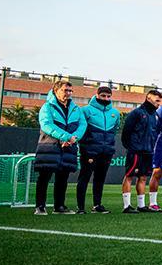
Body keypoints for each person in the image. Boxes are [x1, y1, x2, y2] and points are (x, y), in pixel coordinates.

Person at [33, 80, 86, 215]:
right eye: (65, 90)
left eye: (70, 91)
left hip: (68, 147)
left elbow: (82, 125)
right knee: (44, 177)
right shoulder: (47, 107)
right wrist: (66, 137)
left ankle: (59, 206)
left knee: (63, 177)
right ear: (56, 91)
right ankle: (40, 206)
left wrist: (74, 138)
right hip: (49, 146)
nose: (68, 93)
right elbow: (46, 125)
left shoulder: (76, 108)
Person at [76, 85, 119, 214]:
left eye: (108, 96)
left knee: (100, 179)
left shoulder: (115, 113)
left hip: (106, 151)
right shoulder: (85, 110)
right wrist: (84, 147)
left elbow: (115, 129)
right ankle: (80, 207)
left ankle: (97, 205)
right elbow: (81, 129)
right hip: (89, 151)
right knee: (84, 177)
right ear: (97, 95)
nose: (105, 98)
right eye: (103, 96)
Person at [121, 89, 161, 213]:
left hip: (148, 151)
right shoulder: (136, 113)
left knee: (143, 177)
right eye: (157, 100)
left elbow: (155, 132)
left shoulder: (155, 115)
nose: (159, 103)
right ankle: (127, 206)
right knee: (129, 176)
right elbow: (126, 131)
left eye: (160, 101)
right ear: (148, 98)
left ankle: (141, 205)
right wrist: (131, 147)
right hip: (136, 151)